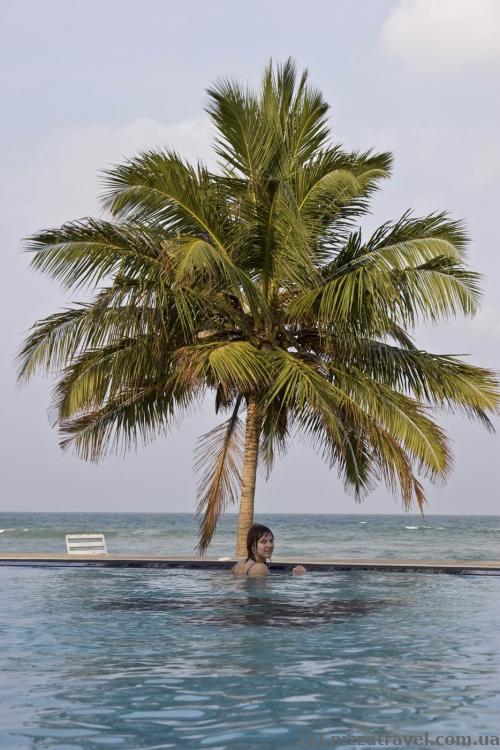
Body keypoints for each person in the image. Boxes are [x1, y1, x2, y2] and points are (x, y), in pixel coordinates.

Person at [232, 523, 307, 577]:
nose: (269, 545)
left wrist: (293, 573)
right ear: (252, 547)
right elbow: (262, 597)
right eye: (263, 541)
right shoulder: (260, 568)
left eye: (271, 541)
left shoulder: (239, 564)